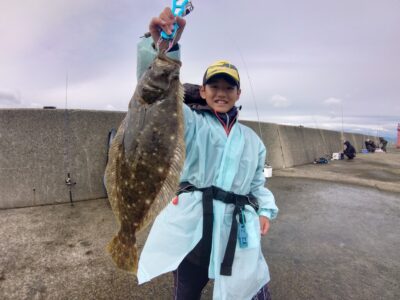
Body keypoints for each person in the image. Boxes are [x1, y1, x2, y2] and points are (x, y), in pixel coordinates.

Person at [136, 7, 279, 300]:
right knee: (187, 291)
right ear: (202, 91)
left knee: (249, 288)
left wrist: (264, 210)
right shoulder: (190, 122)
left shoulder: (253, 141)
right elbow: (157, 97)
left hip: (236, 226)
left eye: (229, 87)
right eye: (214, 86)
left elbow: (256, 184)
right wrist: (162, 49)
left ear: (239, 94)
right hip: (194, 227)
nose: (221, 92)